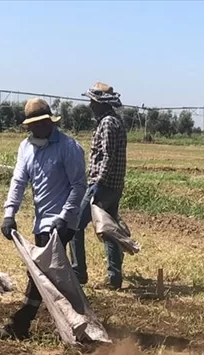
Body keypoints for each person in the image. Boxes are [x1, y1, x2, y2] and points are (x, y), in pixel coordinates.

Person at [0, 98, 86, 340]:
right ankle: (82, 322)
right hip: (41, 223)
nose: (39, 128)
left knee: (40, 273)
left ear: (50, 121)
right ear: (28, 126)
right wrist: (9, 214)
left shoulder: (68, 147)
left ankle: (20, 325)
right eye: (34, 125)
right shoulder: (26, 148)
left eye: (43, 123)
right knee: (52, 275)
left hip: (62, 223)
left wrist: (65, 216)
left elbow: (78, 185)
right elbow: (19, 182)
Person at [70, 82, 128, 289]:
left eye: (92, 102)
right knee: (109, 229)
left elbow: (108, 156)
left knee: (75, 225)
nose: (90, 106)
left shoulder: (107, 123)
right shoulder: (115, 121)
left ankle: (78, 272)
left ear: (101, 104)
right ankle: (114, 277)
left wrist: (97, 182)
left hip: (102, 185)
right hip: (114, 185)